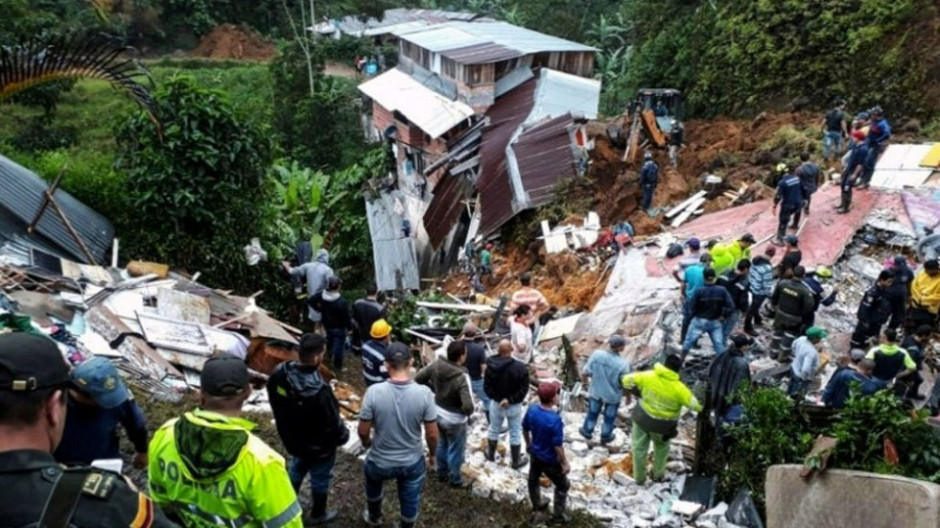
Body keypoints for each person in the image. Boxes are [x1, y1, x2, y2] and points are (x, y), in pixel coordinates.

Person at [0, 333, 177, 527]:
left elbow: (136, 423)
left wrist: (142, 450)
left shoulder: (118, 400)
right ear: (53, 408)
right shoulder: (110, 507)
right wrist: (125, 498)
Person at [149, 356, 302, 528]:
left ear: (201, 394)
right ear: (248, 392)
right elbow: (288, 524)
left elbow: (159, 503)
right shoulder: (262, 462)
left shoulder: (165, 435)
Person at [267, 334, 349, 524]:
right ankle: (318, 513)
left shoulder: (280, 373)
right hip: (320, 447)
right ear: (316, 357)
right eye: (323, 353)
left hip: (293, 438)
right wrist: (344, 435)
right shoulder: (319, 391)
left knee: (297, 467)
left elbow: (274, 399)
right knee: (320, 477)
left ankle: (286, 500)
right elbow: (332, 424)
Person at [358, 342, 437, 528]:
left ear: (386, 364)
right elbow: (432, 435)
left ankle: (374, 517)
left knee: (373, 484)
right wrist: (433, 455)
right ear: (411, 362)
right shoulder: (425, 394)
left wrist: (368, 443)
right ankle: (406, 525)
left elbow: (362, 430)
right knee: (410, 498)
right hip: (410, 462)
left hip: (379, 460)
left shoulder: (373, 392)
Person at [53, 356, 149, 467]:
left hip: (103, 462)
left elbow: (136, 425)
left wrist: (142, 451)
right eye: (102, 400)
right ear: (80, 394)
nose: (112, 403)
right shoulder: (53, 401)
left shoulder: (117, 396)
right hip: (59, 464)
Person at [621, 355, 702, 485]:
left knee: (639, 448)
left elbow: (626, 379)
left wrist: (636, 392)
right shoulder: (680, 389)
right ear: (678, 370)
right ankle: (658, 475)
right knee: (661, 449)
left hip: (642, 418)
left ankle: (639, 478)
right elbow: (696, 406)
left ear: (664, 364)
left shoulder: (648, 376)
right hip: (663, 426)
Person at [415, 340, 474, 488]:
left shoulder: (436, 365)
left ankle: (442, 474)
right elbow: (468, 405)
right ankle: (455, 480)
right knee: (455, 450)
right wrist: (466, 413)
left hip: (437, 412)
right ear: (461, 357)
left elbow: (418, 378)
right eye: (465, 354)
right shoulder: (461, 376)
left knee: (442, 444)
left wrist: (433, 391)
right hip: (454, 419)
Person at [524, 381, 570, 523]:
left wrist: (528, 444)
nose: (558, 396)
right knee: (563, 485)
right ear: (552, 399)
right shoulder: (555, 420)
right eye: (557, 393)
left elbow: (525, 429)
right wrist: (564, 462)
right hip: (550, 459)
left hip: (535, 453)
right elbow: (557, 446)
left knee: (533, 478)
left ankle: (537, 504)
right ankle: (557, 516)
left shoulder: (532, 410)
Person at [483, 339, 530, 469]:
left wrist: (499, 399)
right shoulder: (520, 368)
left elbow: (487, 388)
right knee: (515, 431)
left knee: (494, 428)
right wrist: (509, 399)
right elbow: (524, 389)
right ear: (512, 350)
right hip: (514, 405)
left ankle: (491, 454)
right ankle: (515, 461)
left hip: (497, 404)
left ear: (498, 351)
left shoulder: (490, 367)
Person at [579, 334, 631, 444]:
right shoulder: (623, 364)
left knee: (592, 412)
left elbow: (585, 372)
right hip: (613, 395)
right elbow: (625, 384)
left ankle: (587, 431)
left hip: (596, 391)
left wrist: (585, 384)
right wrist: (628, 397)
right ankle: (606, 435)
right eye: (623, 345)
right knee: (609, 416)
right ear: (620, 347)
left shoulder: (597, 355)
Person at [682, 268, 734, 358]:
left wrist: (692, 317)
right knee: (719, 346)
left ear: (704, 278)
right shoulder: (722, 290)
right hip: (715, 321)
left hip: (699, 321)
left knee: (687, 343)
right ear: (715, 278)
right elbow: (731, 306)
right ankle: (721, 367)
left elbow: (691, 308)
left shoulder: (699, 291)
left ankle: (679, 364)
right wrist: (723, 316)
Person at [770, 266, 815, 360]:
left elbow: (774, 297)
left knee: (777, 333)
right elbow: (809, 307)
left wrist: (774, 307)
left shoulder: (783, 283)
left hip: (780, 313)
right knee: (789, 336)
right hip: (794, 318)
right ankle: (782, 357)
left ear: (793, 273)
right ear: (803, 276)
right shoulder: (805, 291)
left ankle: (773, 353)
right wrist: (802, 315)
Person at [309, 276, 352, 371]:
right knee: (339, 347)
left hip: (327, 324)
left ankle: (328, 357)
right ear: (337, 287)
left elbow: (310, 300)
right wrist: (350, 328)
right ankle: (337, 367)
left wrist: (319, 309)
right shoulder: (341, 302)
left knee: (330, 340)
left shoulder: (321, 295)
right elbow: (346, 318)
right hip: (339, 327)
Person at [283, 248, 333, 329]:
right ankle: (324, 340)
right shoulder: (328, 270)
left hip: (312, 299)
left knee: (317, 325)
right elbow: (331, 285)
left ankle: (317, 340)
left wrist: (286, 266)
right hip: (324, 300)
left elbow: (292, 272)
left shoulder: (308, 266)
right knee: (324, 324)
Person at [708, 334, 753, 417]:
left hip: (717, 390)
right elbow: (740, 383)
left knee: (717, 413)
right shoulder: (741, 363)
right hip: (727, 396)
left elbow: (713, 368)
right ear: (743, 347)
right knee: (726, 416)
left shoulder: (724, 353)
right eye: (747, 345)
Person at [850, 270, 895, 350]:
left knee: (868, 339)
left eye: (891, 282)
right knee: (858, 340)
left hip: (876, 321)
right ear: (881, 280)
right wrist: (864, 322)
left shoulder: (884, 291)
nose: (890, 284)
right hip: (867, 322)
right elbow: (864, 308)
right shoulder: (872, 293)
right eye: (889, 282)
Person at [679, 253, 713, 343]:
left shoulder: (689, 269)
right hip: (700, 301)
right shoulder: (708, 272)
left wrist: (681, 294)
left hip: (689, 298)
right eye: (711, 262)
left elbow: (683, 283)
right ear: (708, 262)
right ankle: (694, 342)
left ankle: (682, 339)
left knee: (686, 320)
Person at [744, 246, 775, 335]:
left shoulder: (756, 259)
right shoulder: (767, 268)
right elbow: (767, 283)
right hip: (760, 292)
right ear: (773, 255)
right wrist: (769, 294)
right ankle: (747, 327)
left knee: (755, 306)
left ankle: (758, 319)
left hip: (752, 286)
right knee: (753, 309)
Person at [718, 259, 751, 343]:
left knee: (720, 324)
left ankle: (717, 339)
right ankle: (722, 342)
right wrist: (744, 311)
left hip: (720, 305)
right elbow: (743, 300)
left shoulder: (725, 272)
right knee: (729, 325)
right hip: (733, 308)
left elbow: (716, 285)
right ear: (746, 269)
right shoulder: (744, 282)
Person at [788, 327, 826, 399]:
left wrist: (797, 356)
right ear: (814, 338)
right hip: (800, 377)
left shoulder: (801, 339)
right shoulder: (811, 352)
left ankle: (786, 398)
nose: (820, 339)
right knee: (795, 396)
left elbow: (793, 345)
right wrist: (804, 379)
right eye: (819, 338)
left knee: (791, 387)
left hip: (794, 368)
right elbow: (805, 369)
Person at [772, 166, 806, 246]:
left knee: (783, 220)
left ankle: (780, 240)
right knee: (798, 212)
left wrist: (774, 206)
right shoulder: (797, 178)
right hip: (799, 202)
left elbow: (778, 196)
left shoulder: (782, 183)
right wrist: (805, 199)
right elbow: (803, 189)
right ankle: (795, 224)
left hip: (788, 205)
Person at [461, 323, 490, 413]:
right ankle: (490, 421)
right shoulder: (479, 349)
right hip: (476, 379)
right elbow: (483, 366)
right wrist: (484, 377)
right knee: (487, 400)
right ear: (475, 333)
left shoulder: (457, 346)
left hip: (461, 379)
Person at [898, 325, 932, 399]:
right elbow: (910, 367)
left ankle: (912, 394)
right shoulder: (913, 350)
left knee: (919, 380)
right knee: (911, 382)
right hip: (904, 369)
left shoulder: (910, 338)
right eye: (929, 336)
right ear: (924, 336)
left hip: (902, 362)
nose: (930, 338)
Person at [836, 139, 870, 213]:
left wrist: (855, 174)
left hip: (853, 171)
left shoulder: (863, 149)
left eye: (854, 137)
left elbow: (860, 164)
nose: (853, 138)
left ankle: (846, 207)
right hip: (848, 169)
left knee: (847, 188)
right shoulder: (855, 146)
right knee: (842, 185)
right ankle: (842, 203)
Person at [352, 283, 386, 349]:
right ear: (377, 293)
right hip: (373, 339)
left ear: (365, 292)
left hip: (360, 337)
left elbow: (353, 320)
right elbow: (382, 327)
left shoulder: (357, 303)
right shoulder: (380, 309)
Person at [863, 105, 891, 186]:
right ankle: (862, 179)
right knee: (864, 161)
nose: (870, 116)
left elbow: (887, 134)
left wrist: (878, 140)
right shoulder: (873, 122)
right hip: (869, 143)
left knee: (869, 162)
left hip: (875, 146)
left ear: (876, 115)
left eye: (872, 114)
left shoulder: (882, 124)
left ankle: (866, 182)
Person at [910, 259, 940, 330]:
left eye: (928, 270)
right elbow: (914, 286)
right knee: (913, 325)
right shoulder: (922, 274)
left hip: (930, 309)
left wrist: (924, 300)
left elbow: (938, 296)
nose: (926, 271)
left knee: (924, 328)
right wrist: (919, 298)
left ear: (934, 269)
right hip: (916, 306)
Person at [362, 319, 392, 387]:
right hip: (377, 383)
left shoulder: (365, 345)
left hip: (367, 378)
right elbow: (386, 374)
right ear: (386, 336)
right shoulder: (383, 356)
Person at [793, 153, 820, 223]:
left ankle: (795, 223)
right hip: (812, 187)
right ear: (809, 157)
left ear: (800, 159)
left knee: (798, 203)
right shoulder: (815, 166)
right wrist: (816, 186)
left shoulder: (799, 169)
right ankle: (807, 209)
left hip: (803, 189)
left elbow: (796, 181)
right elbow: (817, 177)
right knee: (808, 198)